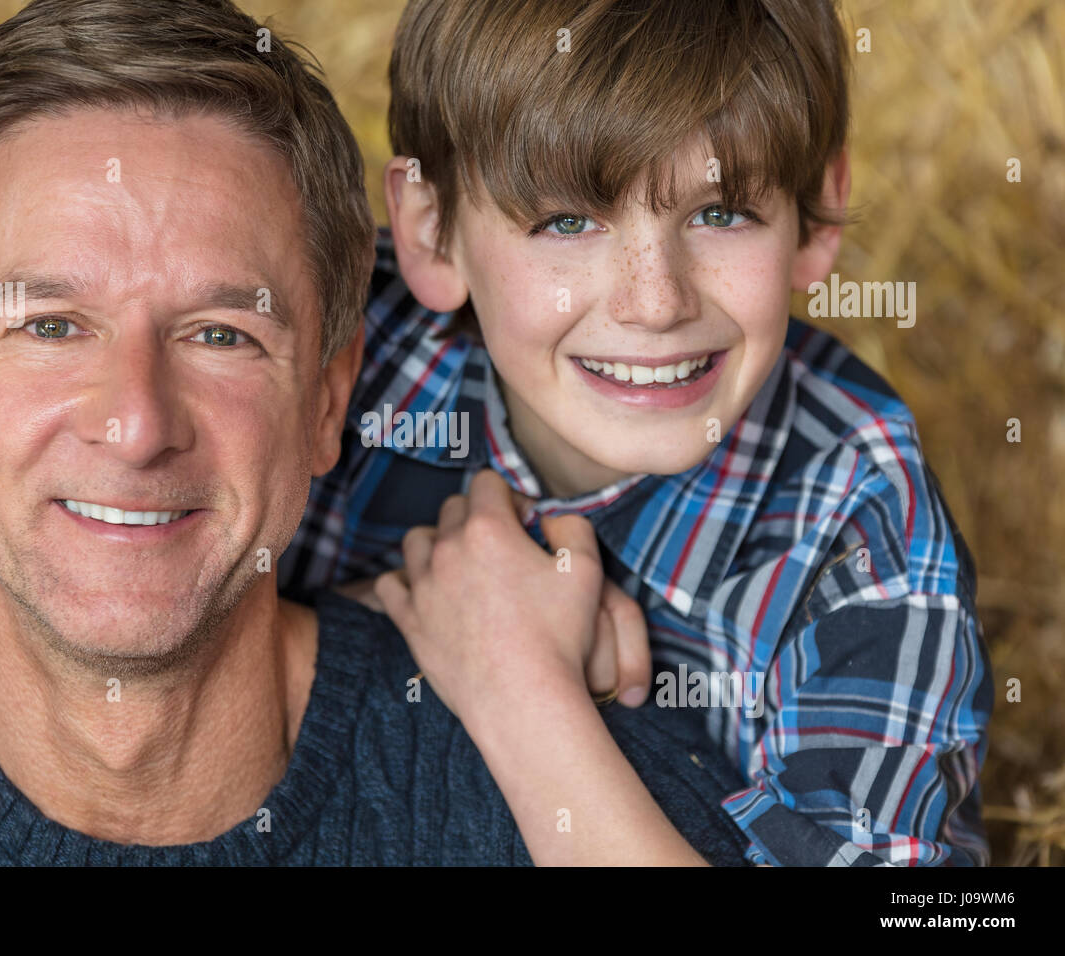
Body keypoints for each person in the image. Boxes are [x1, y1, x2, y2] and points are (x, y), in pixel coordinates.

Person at [0, 0, 750, 866]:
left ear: (330, 393)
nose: (137, 423)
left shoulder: (582, 800)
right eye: (51, 326)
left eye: (220, 334)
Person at [278, 0, 994, 866]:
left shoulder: (861, 521)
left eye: (720, 213)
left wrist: (523, 692)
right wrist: (392, 627)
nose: (656, 305)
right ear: (431, 232)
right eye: (567, 223)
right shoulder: (341, 342)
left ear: (818, 213)